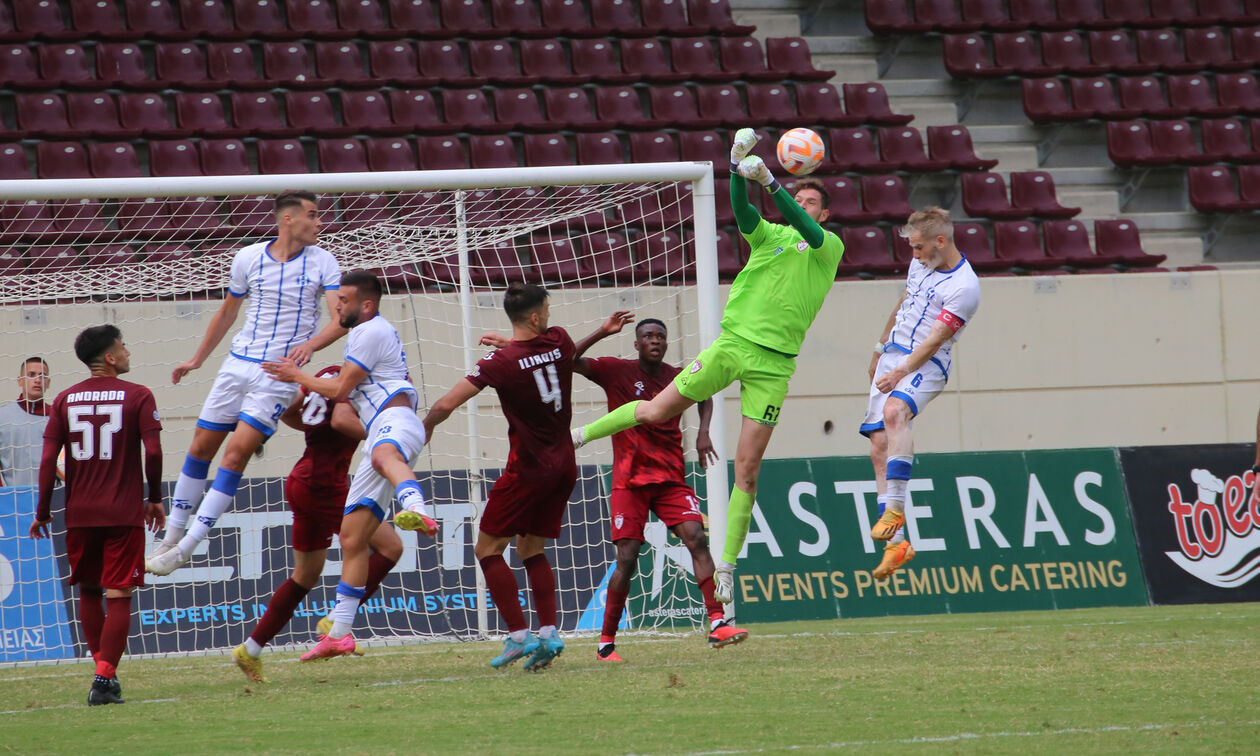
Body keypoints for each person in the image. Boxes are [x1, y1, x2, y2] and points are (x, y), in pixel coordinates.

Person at [571, 129, 844, 603]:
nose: (805, 202)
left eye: (812, 199)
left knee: (748, 469)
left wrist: (776, 187)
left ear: (824, 211)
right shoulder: (771, 236)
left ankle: (728, 564)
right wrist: (738, 168)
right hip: (733, 345)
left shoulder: (827, 247)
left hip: (775, 365)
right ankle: (577, 437)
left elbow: (808, 229)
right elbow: (742, 212)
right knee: (655, 411)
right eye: (800, 195)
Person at [146, 190, 346, 576]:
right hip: (237, 365)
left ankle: (186, 547)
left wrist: (309, 345)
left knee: (235, 455)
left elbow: (341, 318)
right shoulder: (248, 257)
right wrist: (197, 359)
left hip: (278, 375)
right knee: (200, 446)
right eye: (313, 214)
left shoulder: (324, 262)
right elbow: (227, 311)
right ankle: (170, 536)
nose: (320, 222)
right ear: (288, 219)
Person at [263, 270, 438, 661]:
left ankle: (418, 509)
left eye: (342, 299)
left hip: (396, 421)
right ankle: (339, 634)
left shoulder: (371, 330)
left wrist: (297, 375)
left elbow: (340, 391)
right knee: (353, 538)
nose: (336, 305)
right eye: (336, 298)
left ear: (367, 304)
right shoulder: (360, 333)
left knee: (381, 456)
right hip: (380, 428)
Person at [571, 313, 748, 660]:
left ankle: (717, 623)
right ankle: (606, 643)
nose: (655, 341)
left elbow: (705, 392)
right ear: (637, 344)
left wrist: (702, 431)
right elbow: (570, 360)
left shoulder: (676, 376)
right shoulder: (615, 371)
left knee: (696, 537)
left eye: (660, 337)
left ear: (666, 343)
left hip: (669, 478)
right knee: (627, 558)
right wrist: (602, 331)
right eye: (648, 336)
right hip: (629, 481)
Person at [423, 282, 576, 671]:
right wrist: (510, 343)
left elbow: (446, 403)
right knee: (531, 550)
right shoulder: (560, 340)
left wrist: (424, 427)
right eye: (547, 309)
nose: (550, 316)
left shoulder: (500, 364)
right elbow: (536, 352)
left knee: (487, 550)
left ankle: (518, 635)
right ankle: (549, 634)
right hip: (563, 466)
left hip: (527, 470)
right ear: (538, 316)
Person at [231, 365, 402, 682]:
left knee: (305, 575)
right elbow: (341, 420)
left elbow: (290, 407)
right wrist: (384, 432)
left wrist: (314, 427)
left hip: (303, 480)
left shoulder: (326, 377)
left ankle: (250, 650)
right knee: (390, 546)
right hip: (325, 485)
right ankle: (336, 622)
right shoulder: (350, 383)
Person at [29, 325, 163, 706]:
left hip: (81, 513)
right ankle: (104, 679)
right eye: (123, 346)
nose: (128, 352)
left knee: (89, 589)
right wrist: (153, 497)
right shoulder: (138, 395)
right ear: (110, 357)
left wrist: (42, 512)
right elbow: (152, 453)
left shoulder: (65, 400)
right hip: (122, 511)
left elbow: (46, 462)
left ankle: (105, 671)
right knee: (118, 592)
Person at [861, 207, 981, 579]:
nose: (913, 255)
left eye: (917, 248)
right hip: (893, 357)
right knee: (879, 444)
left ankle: (894, 509)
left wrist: (899, 371)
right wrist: (881, 348)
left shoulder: (965, 287)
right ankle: (897, 546)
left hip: (925, 365)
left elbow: (934, 341)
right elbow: (905, 302)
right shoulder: (921, 264)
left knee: (896, 413)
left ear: (940, 242)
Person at [0, 357, 51, 487]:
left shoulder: (56, 417)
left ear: (48, 382)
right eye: (31, 375)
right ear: (20, 381)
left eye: (43, 375)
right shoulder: (3, 416)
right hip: (13, 498)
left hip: (51, 499)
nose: (38, 380)